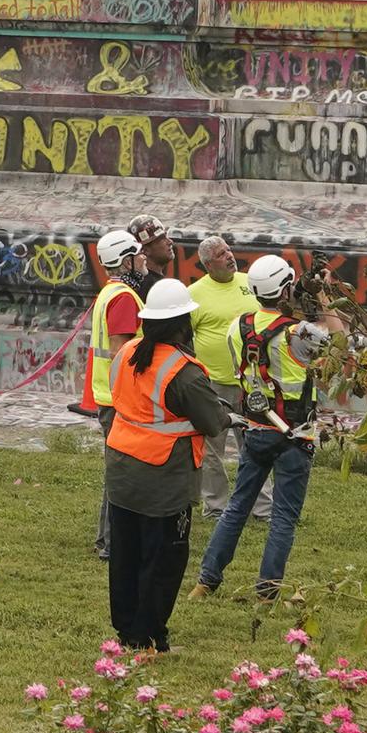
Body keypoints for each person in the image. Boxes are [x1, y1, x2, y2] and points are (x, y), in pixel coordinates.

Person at [102, 277, 233, 653]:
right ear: (182, 324)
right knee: (163, 562)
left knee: (125, 556)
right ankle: (147, 636)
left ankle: (127, 631)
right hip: (163, 480)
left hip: (122, 471)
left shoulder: (127, 352)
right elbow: (211, 421)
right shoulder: (184, 371)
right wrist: (229, 417)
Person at [197, 257, 330, 599]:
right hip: (295, 433)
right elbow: (342, 346)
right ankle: (267, 590)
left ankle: (207, 580)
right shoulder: (299, 333)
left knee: (237, 507)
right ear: (286, 288)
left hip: (256, 428)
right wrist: (325, 297)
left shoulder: (236, 326)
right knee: (282, 518)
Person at [78, 229, 150, 560]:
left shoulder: (110, 293)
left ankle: (109, 540)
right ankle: (110, 542)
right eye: (139, 253)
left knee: (118, 472)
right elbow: (124, 353)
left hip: (108, 397)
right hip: (119, 400)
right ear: (126, 261)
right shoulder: (123, 298)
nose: (145, 257)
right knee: (121, 474)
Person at [181, 238, 261, 532]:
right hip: (213, 384)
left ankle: (262, 507)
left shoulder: (249, 283)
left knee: (256, 445)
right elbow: (184, 336)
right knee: (211, 448)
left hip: (252, 382)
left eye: (229, 251)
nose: (229, 257)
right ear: (208, 264)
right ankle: (216, 507)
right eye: (221, 255)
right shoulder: (195, 294)